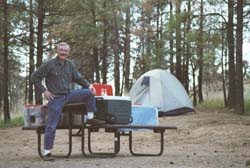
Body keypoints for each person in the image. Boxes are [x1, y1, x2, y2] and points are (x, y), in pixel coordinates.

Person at [31, 42, 104, 161]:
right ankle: (47, 152)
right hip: (55, 98)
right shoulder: (49, 65)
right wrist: (44, 91)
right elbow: (34, 77)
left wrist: (89, 85)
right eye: (61, 50)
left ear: (68, 52)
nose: (63, 52)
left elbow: (78, 78)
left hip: (69, 95)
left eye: (65, 51)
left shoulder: (70, 65)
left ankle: (90, 117)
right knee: (51, 124)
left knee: (90, 93)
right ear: (57, 51)